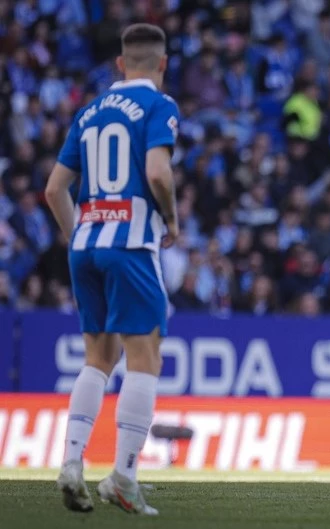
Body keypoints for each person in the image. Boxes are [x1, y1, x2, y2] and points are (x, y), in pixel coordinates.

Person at [44, 24, 180, 516]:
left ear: (120, 65)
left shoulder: (89, 111)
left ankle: (71, 463)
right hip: (131, 244)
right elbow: (159, 173)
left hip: (87, 243)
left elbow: (54, 190)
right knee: (145, 361)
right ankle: (123, 476)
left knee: (97, 359)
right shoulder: (159, 107)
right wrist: (173, 217)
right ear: (162, 65)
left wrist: (79, 234)